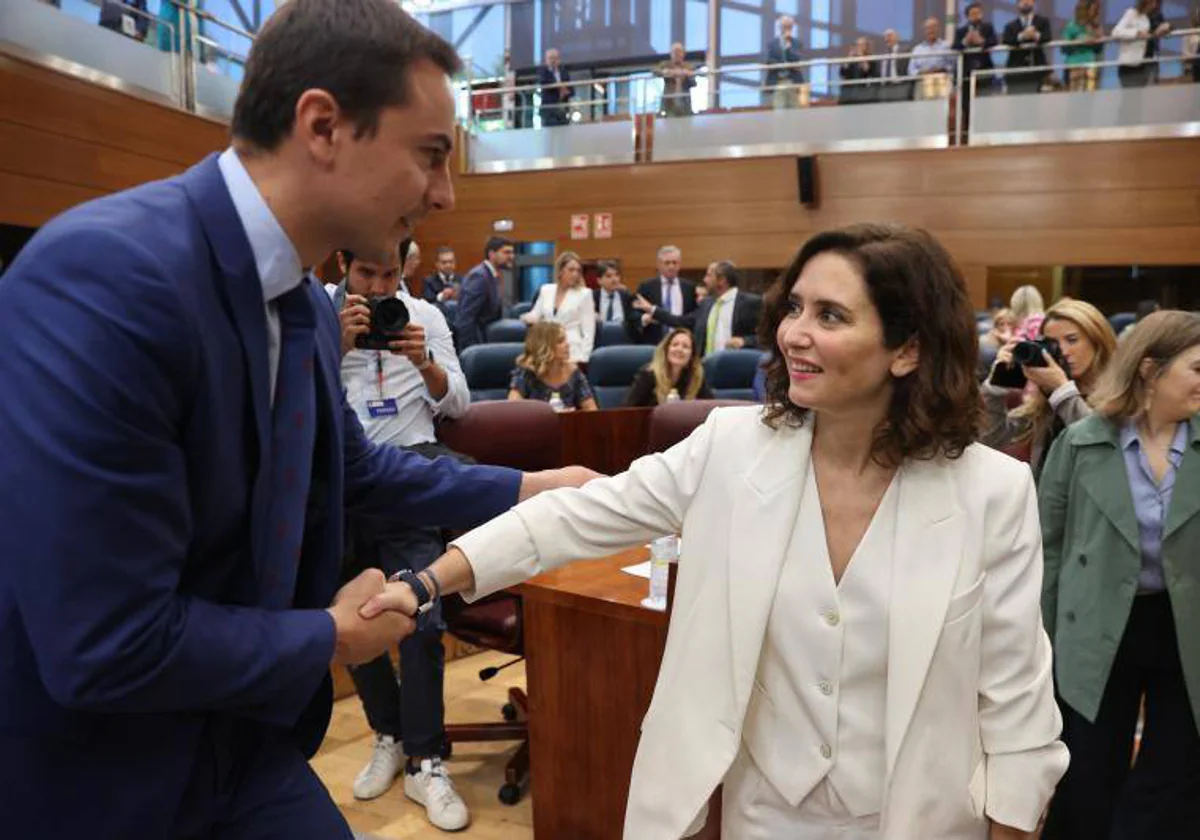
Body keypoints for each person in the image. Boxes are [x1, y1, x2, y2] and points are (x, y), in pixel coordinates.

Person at [0, 3, 596, 838]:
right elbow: (107, 642)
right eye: (430, 154)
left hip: (243, 741)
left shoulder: (309, 310)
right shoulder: (104, 278)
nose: (445, 192)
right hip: (100, 773)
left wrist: (532, 485)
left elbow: (352, 470)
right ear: (322, 125)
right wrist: (324, 637)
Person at [365, 223, 1068, 839]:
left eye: (830, 315)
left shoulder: (992, 491)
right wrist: (429, 581)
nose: (794, 331)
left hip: (922, 817)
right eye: (794, 306)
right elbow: (576, 515)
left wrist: (1014, 826)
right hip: (767, 814)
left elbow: (1016, 695)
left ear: (907, 350)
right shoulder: (731, 446)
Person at [1039, 309, 1200, 839]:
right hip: (1097, 619)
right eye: (1197, 368)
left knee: (1176, 765)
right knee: (1088, 764)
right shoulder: (1084, 441)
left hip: (1185, 623)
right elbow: (1048, 546)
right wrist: (1043, 639)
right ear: (1151, 371)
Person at [330, 245, 471, 829]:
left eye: (391, 274)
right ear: (342, 264)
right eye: (368, 274)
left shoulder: (425, 315)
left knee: (422, 617)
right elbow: (285, 391)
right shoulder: (319, 312)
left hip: (410, 473)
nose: (382, 287)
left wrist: (427, 364)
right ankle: (389, 732)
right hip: (341, 477)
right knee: (354, 616)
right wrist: (331, 345)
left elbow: (458, 402)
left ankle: (427, 758)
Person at [983, 298, 1117, 475]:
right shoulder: (1047, 399)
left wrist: (1063, 393)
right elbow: (993, 440)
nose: (1064, 351)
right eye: (1053, 344)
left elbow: (1102, 447)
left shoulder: (1121, 396)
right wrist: (996, 388)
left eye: (1072, 340)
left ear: (1097, 341)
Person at [522, 250, 597, 363]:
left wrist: (584, 358)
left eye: (578, 270)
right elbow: (535, 315)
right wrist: (526, 318)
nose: (575, 274)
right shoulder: (546, 290)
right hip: (546, 347)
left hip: (572, 350)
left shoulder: (584, 294)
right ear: (560, 271)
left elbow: (589, 331)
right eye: (571, 270)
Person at [507, 322, 598, 411]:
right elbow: (512, 410)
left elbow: (591, 410)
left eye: (565, 340)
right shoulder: (527, 372)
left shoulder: (573, 372)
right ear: (545, 346)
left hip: (567, 425)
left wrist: (572, 416)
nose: (567, 345)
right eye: (560, 341)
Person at [625, 328, 713, 407]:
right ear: (666, 350)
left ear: (691, 356)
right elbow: (628, 411)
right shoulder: (649, 375)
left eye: (685, 346)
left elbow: (711, 408)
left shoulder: (696, 377)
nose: (679, 349)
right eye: (675, 345)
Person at [692, 260, 761, 357]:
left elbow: (766, 337)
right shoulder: (706, 304)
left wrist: (744, 341)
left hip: (736, 365)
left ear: (721, 280)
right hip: (705, 366)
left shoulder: (751, 303)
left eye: (708, 275)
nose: (704, 280)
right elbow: (685, 322)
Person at [632, 244, 698, 346]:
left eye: (674, 263)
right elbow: (633, 312)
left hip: (681, 343)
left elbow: (693, 315)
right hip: (653, 343)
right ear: (659, 265)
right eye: (667, 263)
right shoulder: (647, 286)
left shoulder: (689, 287)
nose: (671, 266)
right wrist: (643, 318)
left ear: (680, 264)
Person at [455, 236, 513, 350]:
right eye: (507, 252)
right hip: (475, 345)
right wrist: (471, 350)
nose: (511, 257)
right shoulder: (479, 277)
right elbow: (466, 318)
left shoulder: (493, 275)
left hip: (486, 341)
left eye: (512, 253)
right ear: (492, 254)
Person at [1114, 0, 1171, 88]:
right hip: (1130, 64)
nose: (1154, 5)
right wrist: (1136, 33)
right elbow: (1116, 32)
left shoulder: (1152, 16)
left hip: (1146, 62)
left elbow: (1153, 33)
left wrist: (1166, 27)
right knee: (1129, 97)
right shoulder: (1131, 13)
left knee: (1142, 97)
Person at [1002, 0, 1053, 95]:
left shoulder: (1042, 21)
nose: (1025, 2)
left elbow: (1047, 37)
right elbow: (1006, 40)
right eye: (1022, 1)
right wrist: (1022, 36)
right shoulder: (1010, 25)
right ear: (1018, 4)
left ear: (1033, 3)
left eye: (1028, 0)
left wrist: (1035, 35)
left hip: (1037, 68)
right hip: (1016, 70)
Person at [1062, 1, 1104, 91]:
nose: (1094, 12)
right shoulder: (1071, 25)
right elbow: (1063, 48)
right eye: (1092, 9)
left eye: (1096, 9)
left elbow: (1099, 49)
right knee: (1074, 98)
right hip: (1074, 65)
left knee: (1090, 98)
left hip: (1091, 64)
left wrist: (1098, 40)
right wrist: (1079, 41)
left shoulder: (1096, 26)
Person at [764, 15, 804, 109]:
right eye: (785, 26)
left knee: (794, 114)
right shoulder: (772, 43)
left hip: (793, 81)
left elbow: (796, 59)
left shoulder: (796, 43)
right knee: (779, 112)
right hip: (778, 81)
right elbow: (769, 61)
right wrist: (783, 64)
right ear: (779, 27)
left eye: (789, 26)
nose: (787, 29)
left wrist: (788, 47)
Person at [593, 259, 637, 340]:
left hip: (623, 339)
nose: (614, 279)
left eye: (616, 275)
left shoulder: (626, 296)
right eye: (609, 276)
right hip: (600, 339)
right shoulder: (592, 297)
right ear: (599, 280)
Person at [656, 42, 696, 117]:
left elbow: (694, 83)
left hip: (684, 103)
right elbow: (655, 70)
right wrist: (667, 72)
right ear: (671, 54)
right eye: (675, 52)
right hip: (669, 103)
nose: (677, 54)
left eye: (679, 52)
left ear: (683, 54)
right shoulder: (666, 64)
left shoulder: (688, 66)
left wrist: (686, 74)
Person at [536, 48, 573, 126]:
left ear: (559, 59)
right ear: (546, 60)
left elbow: (571, 89)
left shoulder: (564, 71)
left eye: (555, 58)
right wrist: (560, 87)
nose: (553, 61)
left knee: (564, 132)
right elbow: (544, 83)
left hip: (563, 108)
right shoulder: (543, 71)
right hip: (549, 110)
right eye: (550, 58)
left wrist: (566, 91)